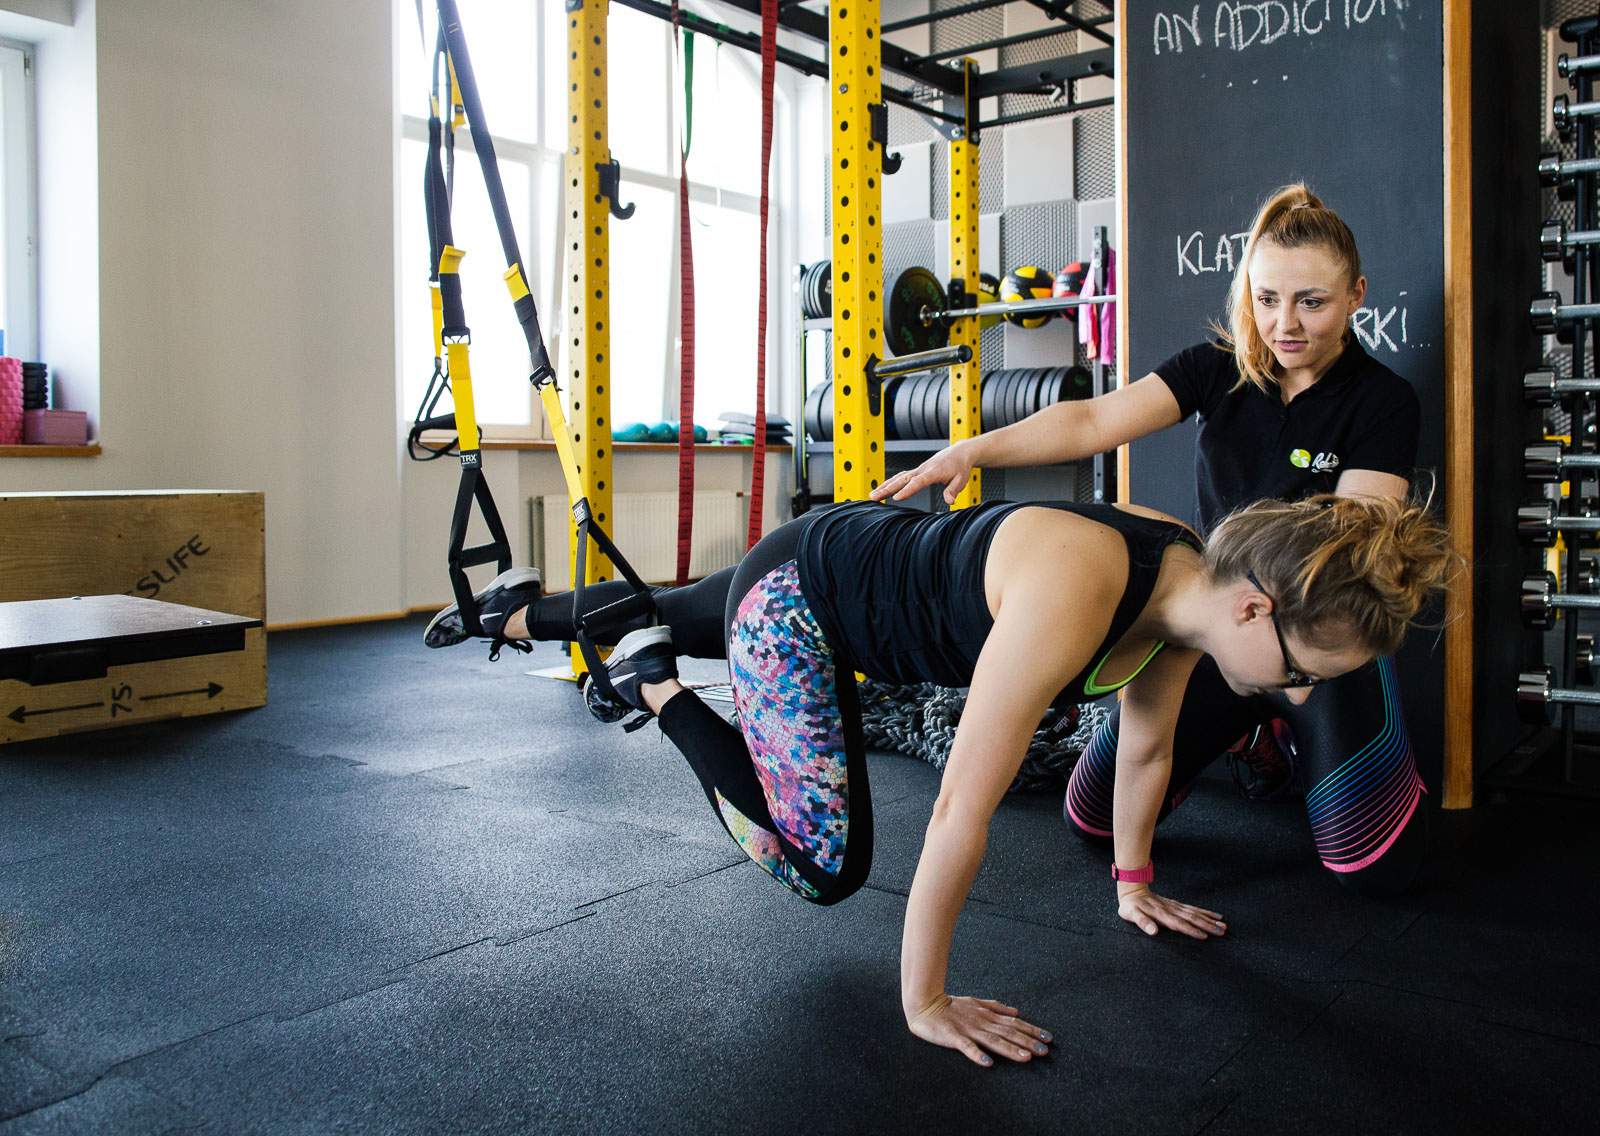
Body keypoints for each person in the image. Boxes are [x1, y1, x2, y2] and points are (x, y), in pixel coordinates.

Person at [424, 493, 1452, 1065]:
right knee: (821, 864)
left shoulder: (1187, 580)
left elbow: (1144, 744)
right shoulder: (1078, 589)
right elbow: (964, 799)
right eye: (1308, 676)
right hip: (805, 599)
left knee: (695, 601)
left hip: (842, 551)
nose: (1304, 700)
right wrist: (923, 997)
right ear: (1254, 610)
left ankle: (506, 611)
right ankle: (654, 686)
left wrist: (1135, 886)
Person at [870, 184, 1432, 894]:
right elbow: (1090, 421)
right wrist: (973, 450)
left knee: (1370, 867)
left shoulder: (1383, 401)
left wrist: (1291, 666)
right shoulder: (1218, 368)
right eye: (1265, 299)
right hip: (1226, 627)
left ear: (1356, 294)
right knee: (1092, 819)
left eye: (1311, 302)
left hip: (1312, 641)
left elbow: (1349, 554)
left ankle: (1293, 733)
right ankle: (1250, 733)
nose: (1283, 324)